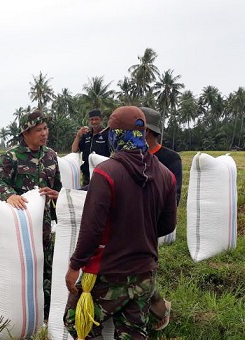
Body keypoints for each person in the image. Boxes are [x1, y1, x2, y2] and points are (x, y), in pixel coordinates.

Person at [64, 106, 177, 339]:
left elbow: (92, 229)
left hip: (110, 272)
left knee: (77, 320)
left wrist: (75, 265)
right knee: (133, 332)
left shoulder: (106, 173)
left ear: (116, 135)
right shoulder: (166, 174)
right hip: (145, 272)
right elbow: (167, 226)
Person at [0, 108, 62, 321]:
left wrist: (57, 196)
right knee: (22, 267)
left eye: (46, 128)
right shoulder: (12, 156)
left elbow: (58, 186)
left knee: (47, 267)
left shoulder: (50, 156)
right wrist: (9, 195)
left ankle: (46, 315)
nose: (44, 133)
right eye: (39, 130)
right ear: (26, 134)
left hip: (44, 224)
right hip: (20, 224)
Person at [140, 106, 183, 331]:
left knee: (144, 271)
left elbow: (174, 198)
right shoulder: (128, 155)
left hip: (150, 227)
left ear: (145, 131)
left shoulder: (169, 159)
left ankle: (157, 311)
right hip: (128, 225)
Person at [71, 109, 111, 187]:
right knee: (85, 196)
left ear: (101, 120)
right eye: (92, 119)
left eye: (96, 119)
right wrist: (78, 136)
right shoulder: (86, 135)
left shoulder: (106, 134)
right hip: (87, 175)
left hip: (102, 173)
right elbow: (74, 150)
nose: (94, 122)